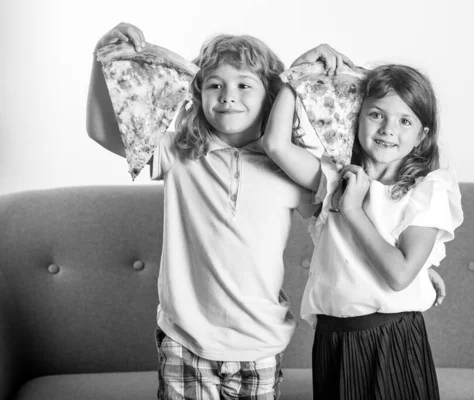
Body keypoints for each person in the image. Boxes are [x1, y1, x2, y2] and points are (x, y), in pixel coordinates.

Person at [87, 22, 448, 399]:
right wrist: (102, 62)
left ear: (271, 96)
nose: (228, 96)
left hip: (261, 342)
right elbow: (101, 131)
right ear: (198, 94)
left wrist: (424, 268)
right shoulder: (179, 152)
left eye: (244, 84)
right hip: (185, 338)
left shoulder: (290, 169)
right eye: (215, 85)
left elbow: (348, 228)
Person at [264, 62, 464, 399]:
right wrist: (294, 76)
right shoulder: (333, 178)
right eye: (376, 115)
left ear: (421, 136)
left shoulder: (427, 191)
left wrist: (353, 210)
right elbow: (275, 145)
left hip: (390, 340)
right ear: (357, 117)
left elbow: (399, 275)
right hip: (333, 339)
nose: (388, 129)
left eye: (405, 120)